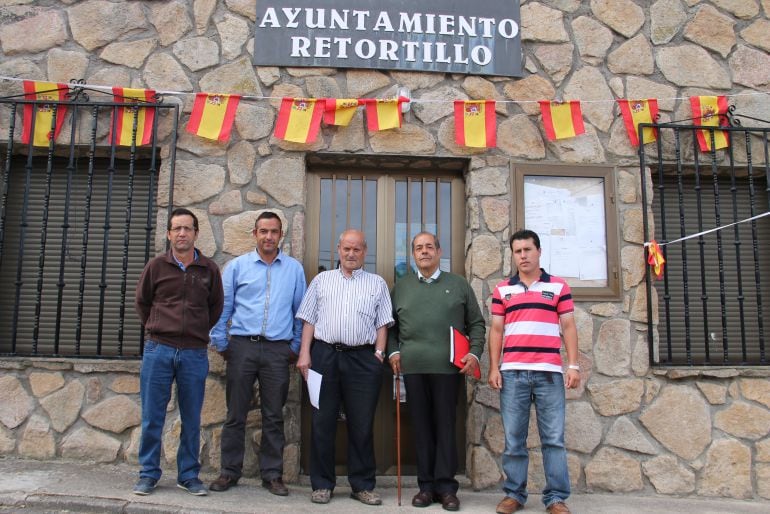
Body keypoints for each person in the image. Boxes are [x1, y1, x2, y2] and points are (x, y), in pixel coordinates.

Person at [208, 211, 307, 496]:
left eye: (274, 231)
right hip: (242, 347)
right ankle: (229, 471)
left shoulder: (294, 270)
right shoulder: (237, 267)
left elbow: (300, 313)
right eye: (263, 231)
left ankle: (272, 474)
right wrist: (222, 343)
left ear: (281, 236)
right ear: (255, 234)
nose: (268, 236)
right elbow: (222, 308)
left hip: (278, 350)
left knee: (273, 414)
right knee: (235, 413)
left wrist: (295, 346)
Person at [388, 232, 485, 511]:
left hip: (448, 369)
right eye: (419, 248)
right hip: (413, 370)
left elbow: (477, 323)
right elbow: (390, 327)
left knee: (445, 427)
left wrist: (474, 353)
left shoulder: (458, 285)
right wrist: (394, 352)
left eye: (429, 247)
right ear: (413, 255)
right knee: (421, 429)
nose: (424, 252)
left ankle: (446, 488)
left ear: (439, 252)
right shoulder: (402, 287)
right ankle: (425, 488)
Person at [296, 229, 393, 506]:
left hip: (363, 360)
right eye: (347, 249)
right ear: (338, 249)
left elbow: (382, 323)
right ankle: (322, 484)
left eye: (357, 249)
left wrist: (379, 354)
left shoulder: (377, 284)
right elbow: (309, 319)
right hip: (324, 355)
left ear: (365, 252)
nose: (351, 254)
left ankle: (361, 485)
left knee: (362, 424)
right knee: (322, 421)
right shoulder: (321, 281)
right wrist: (305, 353)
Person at [133, 208, 224, 496]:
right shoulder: (156, 266)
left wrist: (195, 331)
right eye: (177, 229)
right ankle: (148, 474)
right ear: (169, 234)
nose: (182, 233)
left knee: (192, 418)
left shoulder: (208, 270)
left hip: (194, 353)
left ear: (197, 233)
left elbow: (215, 308)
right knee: (152, 417)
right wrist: (159, 326)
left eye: (188, 228)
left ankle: (188, 475)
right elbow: (142, 302)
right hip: (158, 349)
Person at [488, 229, 580, 514]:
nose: (523, 255)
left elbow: (568, 326)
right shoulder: (503, 289)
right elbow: (496, 329)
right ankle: (514, 494)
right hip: (513, 373)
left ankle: (556, 499)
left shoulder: (558, 286)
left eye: (528, 249)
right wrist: (494, 367)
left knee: (553, 439)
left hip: (549, 373)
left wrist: (573, 365)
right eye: (518, 251)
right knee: (514, 439)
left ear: (539, 251)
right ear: (513, 255)